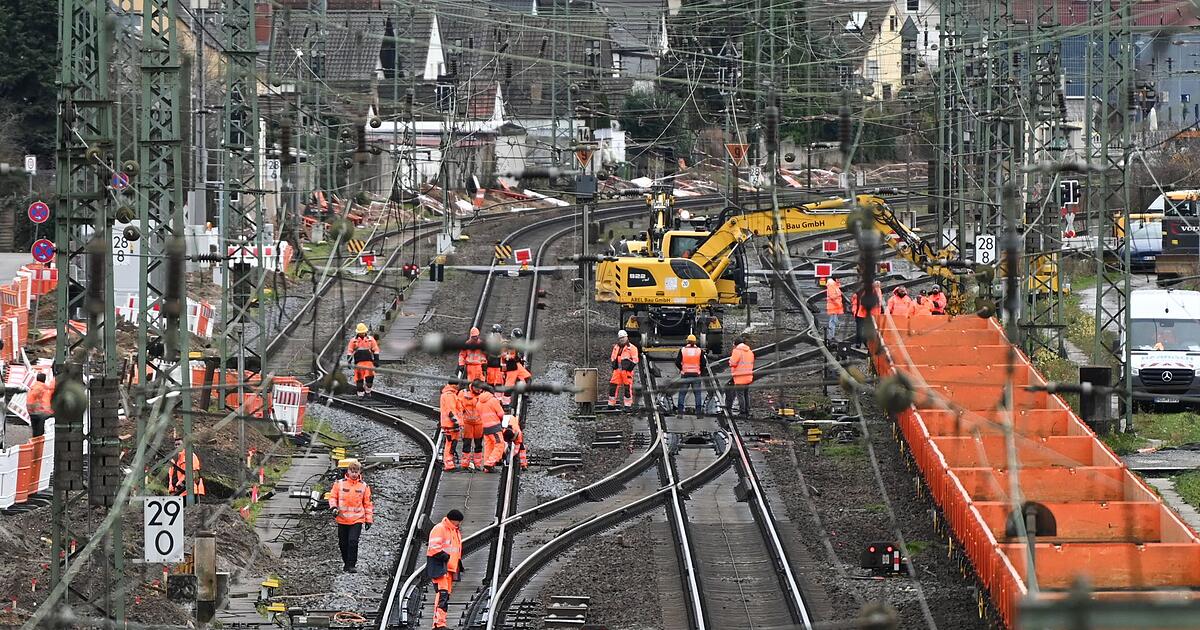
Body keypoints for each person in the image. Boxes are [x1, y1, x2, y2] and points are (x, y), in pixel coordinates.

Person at [328, 459, 374, 573]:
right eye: (352, 471)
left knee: (353, 541)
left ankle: (352, 564)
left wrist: (368, 520)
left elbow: (368, 504)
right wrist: (333, 508)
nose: (354, 474)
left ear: (359, 472)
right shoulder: (339, 484)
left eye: (356, 471)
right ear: (348, 471)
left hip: (357, 519)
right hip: (342, 519)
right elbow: (333, 497)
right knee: (343, 543)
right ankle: (346, 563)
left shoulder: (364, 486)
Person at [425, 509, 465, 629]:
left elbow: (455, 550)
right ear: (454, 520)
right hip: (440, 567)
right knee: (442, 595)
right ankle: (438, 624)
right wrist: (446, 557)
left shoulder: (454, 530)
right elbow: (434, 547)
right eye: (459, 521)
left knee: (445, 596)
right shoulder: (440, 529)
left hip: (450, 568)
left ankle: (440, 623)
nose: (460, 524)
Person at [675, 334, 707, 415]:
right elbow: (704, 363)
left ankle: (680, 412)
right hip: (696, 374)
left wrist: (682, 369)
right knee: (697, 394)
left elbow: (677, 362)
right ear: (695, 342)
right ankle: (698, 413)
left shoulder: (683, 350)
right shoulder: (699, 351)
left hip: (685, 374)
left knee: (682, 394)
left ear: (687, 341)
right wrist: (700, 370)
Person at [477, 385, 507, 472]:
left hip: (485, 428)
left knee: (488, 446)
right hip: (494, 427)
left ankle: (487, 466)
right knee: (499, 444)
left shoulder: (479, 402)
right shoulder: (493, 400)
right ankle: (490, 463)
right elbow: (501, 414)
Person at [346, 323, 381, 396]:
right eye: (361, 332)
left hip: (369, 363)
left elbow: (375, 349)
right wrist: (349, 361)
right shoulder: (353, 341)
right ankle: (360, 394)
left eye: (363, 332)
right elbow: (350, 351)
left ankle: (368, 391)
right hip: (358, 364)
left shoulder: (370, 340)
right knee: (359, 379)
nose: (362, 333)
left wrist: (376, 359)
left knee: (370, 378)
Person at [609, 330, 639, 409]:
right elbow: (613, 357)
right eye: (620, 338)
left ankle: (628, 405)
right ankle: (611, 404)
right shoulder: (616, 347)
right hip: (617, 371)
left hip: (626, 371)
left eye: (623, 337)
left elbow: (635, 360)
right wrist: (614, 365)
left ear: (626, 337)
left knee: (627, 388)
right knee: (613, 387)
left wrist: (629, 368)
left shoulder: (632, 348)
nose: (622, 339)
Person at [850, 281, 884, 348]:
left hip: (865, 314)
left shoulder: (874, 291)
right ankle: (863, 343)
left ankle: (863, 343)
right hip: (863, 314)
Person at [457, 383, 483, 471]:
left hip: (479, 423)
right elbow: (459, 405)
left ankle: (478, 464)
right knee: (466, 443)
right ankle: (465, 464)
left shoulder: (483, 395)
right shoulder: (463, 393)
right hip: (467, 423)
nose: (479, 390)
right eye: (477, 388)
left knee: (478, 444)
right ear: (473, 387)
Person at [726, 336, 755, 416]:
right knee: (746, 394)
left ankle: (742, 412)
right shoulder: (749, 351)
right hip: (748, 376)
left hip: (739, 377)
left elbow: (732, 363)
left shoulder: (737, 351)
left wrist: (730, 360)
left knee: (740, 395)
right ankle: (747, 410)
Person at [439, 382, 462, 471]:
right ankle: (449, 464)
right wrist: (456, 422)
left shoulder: (449, 394)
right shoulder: (450, 395)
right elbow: (451, 410)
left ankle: (450, 463)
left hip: (450, 424)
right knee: (450, 444)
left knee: (451, 443)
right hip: (451, 424)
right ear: (454, 385)